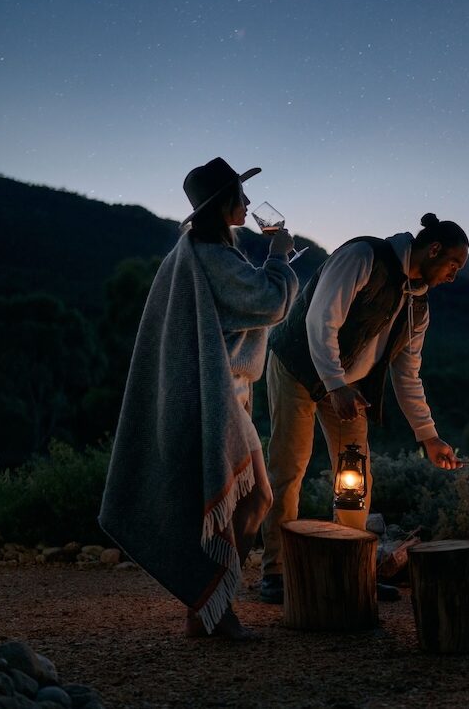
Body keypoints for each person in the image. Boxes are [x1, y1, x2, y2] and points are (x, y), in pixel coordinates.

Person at [99, 157, 298, 640]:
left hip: (214, 393)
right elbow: (270, 302)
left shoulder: (195, 251)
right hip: (215, 395)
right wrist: (280, 255)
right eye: (241, 196)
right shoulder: (210, 254)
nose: (249, 205)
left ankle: (208, 606)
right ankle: (212, 607)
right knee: (250, 498)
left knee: (247, 498)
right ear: (224, 204)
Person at [258, 213, 468, 604]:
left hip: (348, 386)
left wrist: (429, 436)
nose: (454, 276)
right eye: (453, 265)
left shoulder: (418, 307)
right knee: (289, 466)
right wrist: (335, 384)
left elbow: (408, 374)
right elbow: (321, 320)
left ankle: (351, 567)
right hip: (298, 368)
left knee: (354, 473)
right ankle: (277, 571)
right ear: (434, 249)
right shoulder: (363, 256)